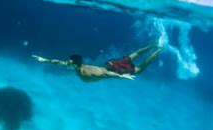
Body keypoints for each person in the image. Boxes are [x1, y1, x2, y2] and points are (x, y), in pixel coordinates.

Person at [32, 43, 163, 82]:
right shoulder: (76, 66)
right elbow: (58, 62)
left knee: (140, 69)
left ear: (75, 64)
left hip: (113, 69)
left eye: (69, 62)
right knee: (133, 56)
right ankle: (154, 43)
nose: (67, 63)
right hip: (110, 64)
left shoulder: (86, 71)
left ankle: (160, 49)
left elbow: (104, 73)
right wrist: (44, 60)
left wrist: (122, 76)